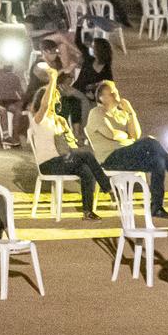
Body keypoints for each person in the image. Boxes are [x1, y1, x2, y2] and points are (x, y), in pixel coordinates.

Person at [86, 80, 168, 216]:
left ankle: (156, 207)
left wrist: (131, 112)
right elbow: (111, 134)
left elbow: (136, 135)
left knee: (158, 161)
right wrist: (126, 135)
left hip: (127, 155)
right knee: (150, 141)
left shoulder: (122, 114)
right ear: (102, 98)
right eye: (111, 93)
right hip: (110, 158)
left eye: (116, 91)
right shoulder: (97, 113)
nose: (116, 94)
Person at [29, 64, 110, 219]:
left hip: (63, 160)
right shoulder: (39, 119)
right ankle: (107, 186)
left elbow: (71, 144)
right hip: (48, 164)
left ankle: (88, 211)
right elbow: (46, 104)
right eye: (54, 97)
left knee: (86, 170)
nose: (57, 100)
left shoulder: (59, 120)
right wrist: (53, 78)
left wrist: (76, 145)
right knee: (86, 155)